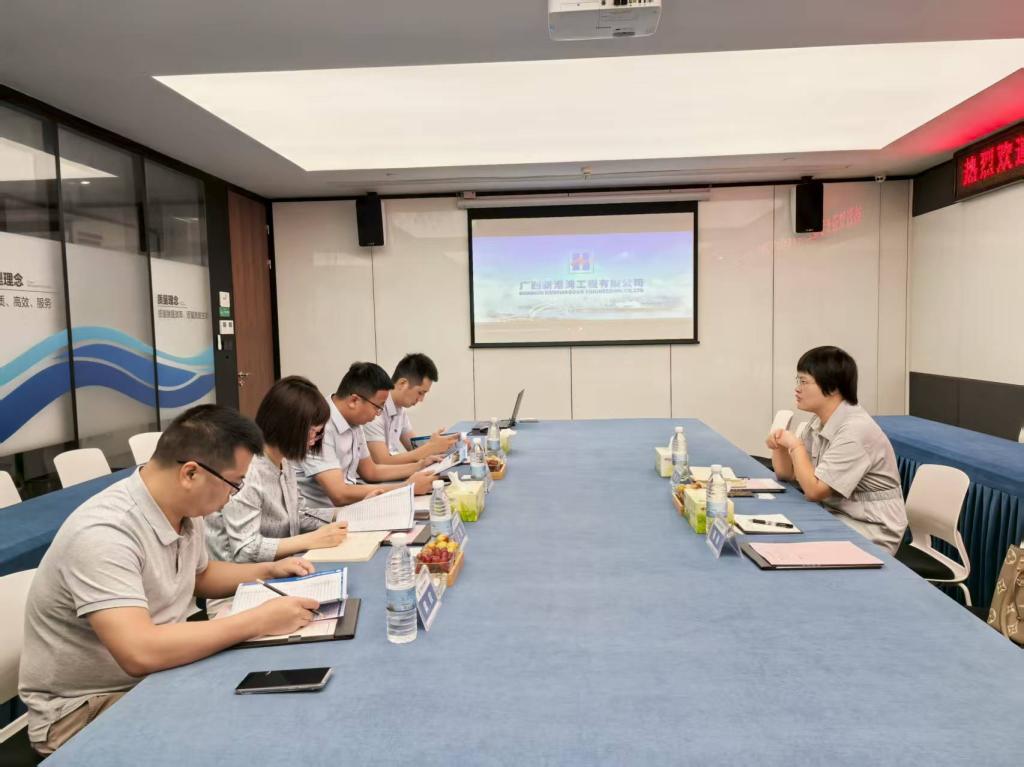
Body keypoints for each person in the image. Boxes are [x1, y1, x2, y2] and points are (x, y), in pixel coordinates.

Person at [19, 405, 321, 756]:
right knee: (237, 732)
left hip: (154, 676)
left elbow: (200, 575)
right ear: (191, 473)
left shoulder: (182, 510)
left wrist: (267, 570)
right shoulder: (104, 532)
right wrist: (258, 620)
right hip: (82, 709)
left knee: (272, 700)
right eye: (234, 484)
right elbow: (139, 651)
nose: (232, 497)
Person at [767, 346, 907, 553]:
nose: (797, 389)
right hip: (836, 514)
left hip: (870, 529)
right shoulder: (821, 420)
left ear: (832, 388)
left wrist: (795, 445)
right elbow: (787, 474)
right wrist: (779, 445)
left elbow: (814, 491)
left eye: (804, 382)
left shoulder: (855, 430)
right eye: (798, 381)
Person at [206, 376, 350, 563]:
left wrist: (344, 514)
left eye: (318, 433)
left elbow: (297, 515)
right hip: (240, 575)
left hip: (278, 565)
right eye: (313, 432)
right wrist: (311, 540)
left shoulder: (284, 461)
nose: (314, 440)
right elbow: (245, 550)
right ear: (289, 427)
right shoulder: (247, 469)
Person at [296, 362, 434, 508]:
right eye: (378, 407)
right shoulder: (319, 425)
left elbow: (370, 471)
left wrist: (420, 466)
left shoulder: (354, 421)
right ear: (354, 401)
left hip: (348, 506)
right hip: (323, 515)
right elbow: (339, 494)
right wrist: (407, 488)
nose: (378, 414)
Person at [364, 353, 457, 465]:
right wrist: (429, 448)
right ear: (402, 383)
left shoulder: (399, 409)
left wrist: (452, 444)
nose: (421, 399)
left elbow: (414, 447)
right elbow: (383, 462)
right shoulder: (374, 411)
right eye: (420, 393)